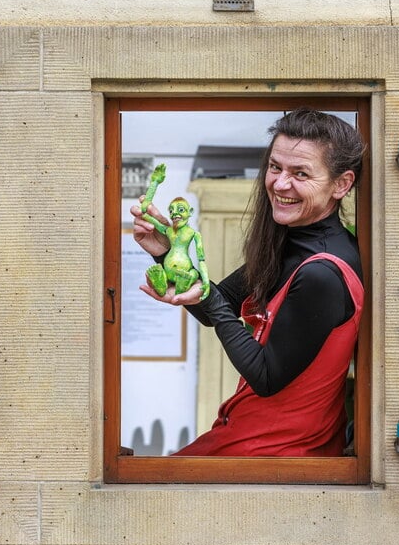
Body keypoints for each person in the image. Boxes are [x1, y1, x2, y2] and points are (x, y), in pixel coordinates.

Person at [131, 107, 365, 457]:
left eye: (300, 173)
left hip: (276, 453)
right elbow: (217, 307)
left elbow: (266, 376)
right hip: (254, 437)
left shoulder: (323, 273)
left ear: (341, 184)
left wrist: (207, 298)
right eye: (275, 167)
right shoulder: (290, 240)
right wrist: (166, 252)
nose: (280, 184)